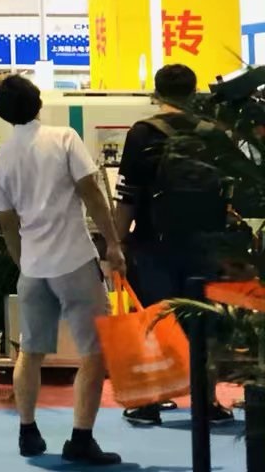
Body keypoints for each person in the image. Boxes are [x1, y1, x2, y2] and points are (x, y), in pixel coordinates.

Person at [0, 75, 123, 465]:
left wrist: (22, 262)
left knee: (30, 351)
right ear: (38, 102)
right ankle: (81, 438)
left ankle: (27, 432)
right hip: (74, 260)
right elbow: (91, 192)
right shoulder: (64, 138)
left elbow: (6, 222)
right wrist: (113, 243)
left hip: (33, 267)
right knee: (93, 352)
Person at [113, 64, 234, 427]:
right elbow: (230, 194)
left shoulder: (142, 133)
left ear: (157, 93)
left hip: (154, 244)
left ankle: (151, 403)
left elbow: (127, 196)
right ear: (194, 93)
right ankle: (207, 403)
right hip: (206, 246)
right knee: (205, 322)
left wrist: (116, 243)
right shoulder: (214, 134)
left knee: (154, 320)